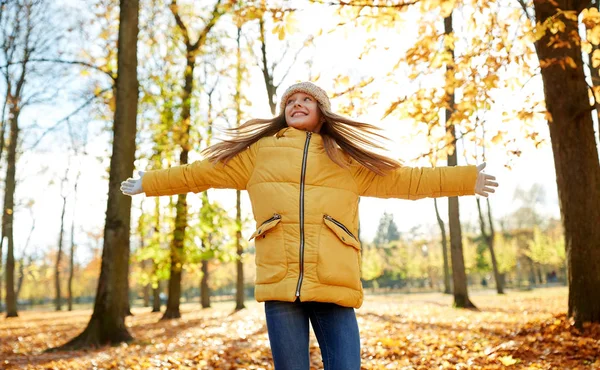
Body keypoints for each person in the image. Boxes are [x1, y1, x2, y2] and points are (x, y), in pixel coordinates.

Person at [121, 81, 498, 370]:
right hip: (281, 287)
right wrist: (149, 182)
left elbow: (408, 180)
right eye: (289, 101)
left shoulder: (344, 159)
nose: (296, 104)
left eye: (306, 100)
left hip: (333, 284)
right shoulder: (259, 154)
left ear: (322, 113)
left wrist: (465, 179)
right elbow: (199, 174)